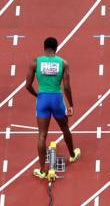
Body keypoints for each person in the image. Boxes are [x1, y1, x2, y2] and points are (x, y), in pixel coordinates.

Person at [26, 37, 81, 179]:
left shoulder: (35, 62)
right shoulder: (63, 63)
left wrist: (37, 95)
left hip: (43, 99)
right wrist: (71, 105)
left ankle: (43, 170)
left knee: (42, 135)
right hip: (57, 99)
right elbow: (67, 87)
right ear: (56, 48)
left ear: (44, 48)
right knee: (65, 128)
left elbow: (27, 85)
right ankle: (73, 155)